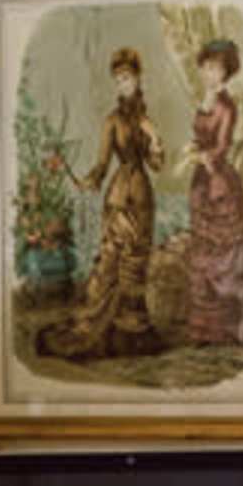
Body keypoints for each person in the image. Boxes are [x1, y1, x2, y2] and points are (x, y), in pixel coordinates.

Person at [67, 46, 164, 358]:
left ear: (138, 80)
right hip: (119, 198)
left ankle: (132, 332)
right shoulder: (111, 121)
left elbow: (158, 165)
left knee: (137, 264)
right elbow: (102, 163)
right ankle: (100, 328)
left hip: (143, 198)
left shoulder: (146, 120)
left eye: (127, 78)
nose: (122, 84)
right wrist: (88, 180)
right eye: (118, 80)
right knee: (110, 262)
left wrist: (155, 139)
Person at [180, 34, 243, 356]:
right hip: (201, 181)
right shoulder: (204, 98)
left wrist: (205, 156)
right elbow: (200, 137)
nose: (209, 73)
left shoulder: (226, 105)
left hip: (219, 183)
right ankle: (204, 329)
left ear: (226, 72)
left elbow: (223, 145)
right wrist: (193, 150)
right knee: (201, 253)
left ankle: (225, 328)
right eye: (206, 66)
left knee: (221, 256)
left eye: (216, 68)